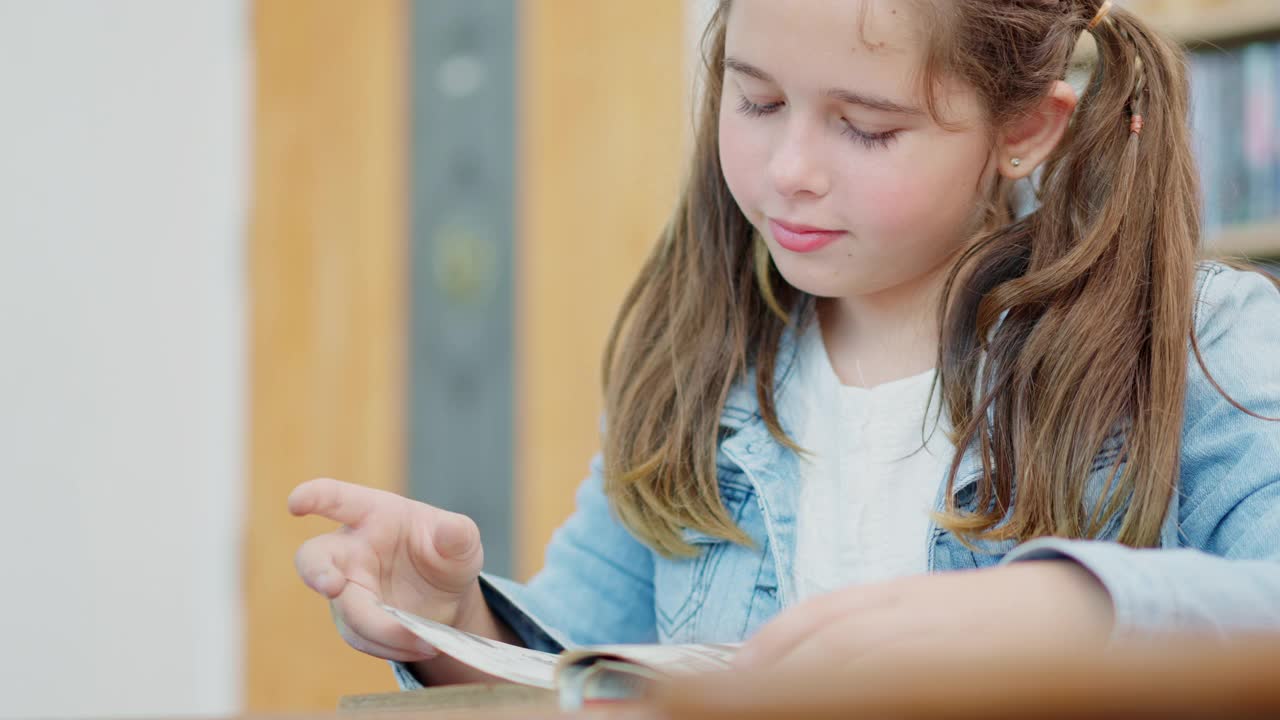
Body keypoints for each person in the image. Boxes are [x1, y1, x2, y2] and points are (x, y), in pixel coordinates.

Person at [289, 0, 1280, 686]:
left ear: (1023, 129)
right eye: (755, 101)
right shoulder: (702, 375)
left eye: (864, 128)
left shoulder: (1197, 342)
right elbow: (587, 665)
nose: (789, 169)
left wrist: (1064, 612)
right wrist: (451, 622)